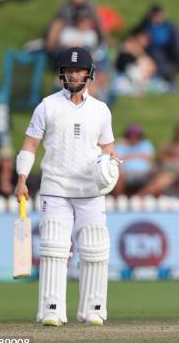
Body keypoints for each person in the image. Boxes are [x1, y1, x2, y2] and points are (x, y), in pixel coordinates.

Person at [13, 47, 119, 327]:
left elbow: (108, 148)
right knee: (53, 247)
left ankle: (93, 309)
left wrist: (110, 166)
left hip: (90, 191)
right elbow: (30, 145)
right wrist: (22, 178)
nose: (74, 74)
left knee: (95, 249)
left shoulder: (101, 110)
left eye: (79, 70)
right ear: (62, 73)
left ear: (89, 74)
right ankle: (51, 309)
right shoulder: (46, 106)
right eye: (69, 70)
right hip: (55, 188)